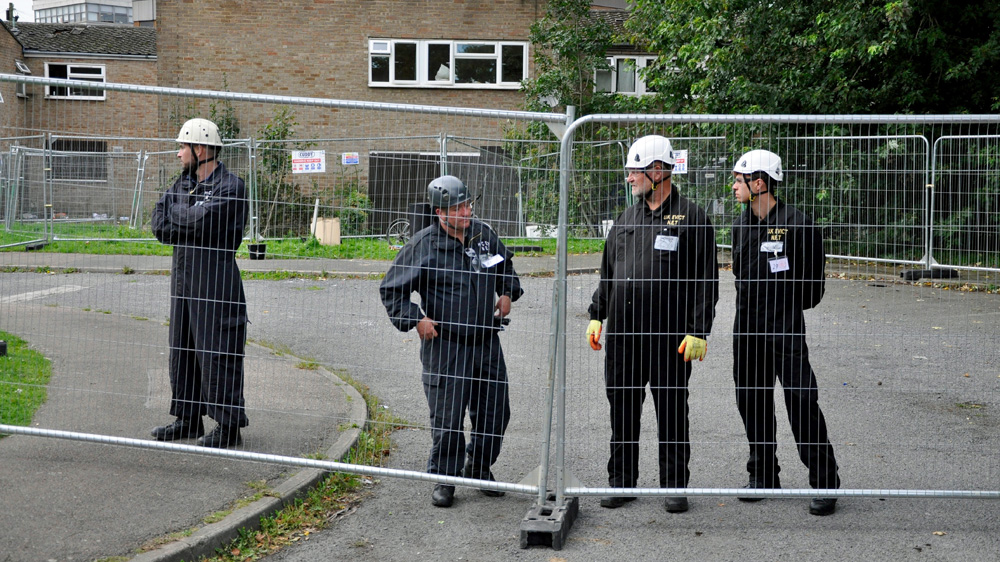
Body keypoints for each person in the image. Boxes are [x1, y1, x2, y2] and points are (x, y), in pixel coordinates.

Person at [587, 135, 719, 514]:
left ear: (658, 171)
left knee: (672, 411)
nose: (629, 178)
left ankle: (674, 486)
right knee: (622, 410)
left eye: (635, 171)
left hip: (669, 338)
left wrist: (699, 330)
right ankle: (622, 482)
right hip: (624, 337)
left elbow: (706, 281)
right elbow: (608, 274)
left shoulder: (691, 218)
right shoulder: (625, 219)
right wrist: (596, 314)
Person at [379, 175, 523, 508]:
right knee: (448, 416)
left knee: (495, 411)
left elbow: (506, 268)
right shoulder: (423, 245)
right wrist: (415, 319)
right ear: (440, 212)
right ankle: (445, 478)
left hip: (485, 341)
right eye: (458, 208)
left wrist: (506, 292)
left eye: (468, 205)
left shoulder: (482, 235)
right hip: (446, 345)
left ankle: (479, 467)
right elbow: (391, 290)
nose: (466, 212)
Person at [729, 149, 841, 516]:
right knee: (752, 402)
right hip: (747, 332)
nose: (734, 186)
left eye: (739, 180)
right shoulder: (741, 226)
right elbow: (740, 276)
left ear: (760, 183)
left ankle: (825, 482)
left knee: (801, 403)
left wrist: (783, 307)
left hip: (785, 329)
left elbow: (812, 288)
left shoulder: (799, 224)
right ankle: (763, 476)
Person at [150, 118, 249, 449]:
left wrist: (182, 214)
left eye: (183, 146)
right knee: (182, 349)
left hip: (216, 282)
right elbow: (159, 223)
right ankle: (188, 418)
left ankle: (228, 426)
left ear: (201, 148)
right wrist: (189, 214)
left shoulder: (231, 187)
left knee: (218, 352)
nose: (178, 154)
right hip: (183, 280)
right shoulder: (183, 183)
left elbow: (206, 221)